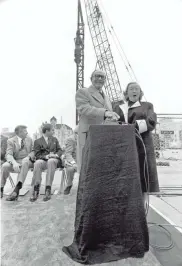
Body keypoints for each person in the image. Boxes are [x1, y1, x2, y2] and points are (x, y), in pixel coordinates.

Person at [113, 82, 160, 194]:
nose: (134, 91)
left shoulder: (147, 105)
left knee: (143, 171)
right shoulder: (119, 107)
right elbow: (114, 123)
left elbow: (151, 122)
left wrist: (130, 127)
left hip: (143, 143)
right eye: (131, 89)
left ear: (140, 92)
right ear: (126, 92)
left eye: (137, 89)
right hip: (124, 143)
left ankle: (144, 203)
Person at [76, 69, 119, 172]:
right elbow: (84, 109)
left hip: (104, 136)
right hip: (88, 134)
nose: (99, 78)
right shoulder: (83, 92)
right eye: (97, 76)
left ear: (105, 80)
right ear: (91, 79)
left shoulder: (107, 98)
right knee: (87, 166)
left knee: (101, 167)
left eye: (102, 77)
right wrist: (105, 112)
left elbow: (108, 115)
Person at [29, 124, 63, 202]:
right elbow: (37, 154)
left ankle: (48, 188)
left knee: (51, 161)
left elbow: (60, 150)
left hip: (54, 160)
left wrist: (55, 155)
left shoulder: (54, 139)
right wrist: (47, 156)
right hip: (44, 160)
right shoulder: (37, 141)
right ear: (47, 131)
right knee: (37, 163)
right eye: (52, 130)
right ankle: (36, 189)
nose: (53, 131)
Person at [1, 125, 34, 200]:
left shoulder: (29, 139)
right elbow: (8, 154)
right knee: (4, 166)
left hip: (27, 160)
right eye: (25, 131)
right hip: (16, 160)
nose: (27, 132)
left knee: (25, 162)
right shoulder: (11, 141)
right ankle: (1, 188)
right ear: (19, 132)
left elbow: (33, 151)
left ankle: (17, 189)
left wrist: (28, 157)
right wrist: (14, 163)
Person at [61, 126, 78, 195]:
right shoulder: (71, 139)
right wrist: (74, 163)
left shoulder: (84, 139)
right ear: (76, 133)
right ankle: (69, 184)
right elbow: (68, 154)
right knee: (71, 168)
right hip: (70, 159)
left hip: (79, 159)